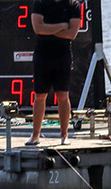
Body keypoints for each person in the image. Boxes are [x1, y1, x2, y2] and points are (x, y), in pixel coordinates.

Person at [26, 0, 81, 146]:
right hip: (42, 54)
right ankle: (35, 135)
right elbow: (38, 28)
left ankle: (64, 135)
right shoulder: (40, 3)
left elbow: (72, 33)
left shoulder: (73, 5)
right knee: (40, 96)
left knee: (62, 95)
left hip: (62, 55)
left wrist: (48, 29)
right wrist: (62, 26)